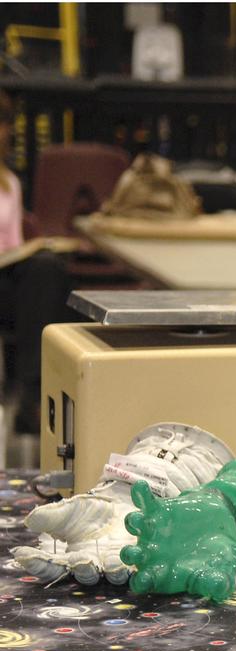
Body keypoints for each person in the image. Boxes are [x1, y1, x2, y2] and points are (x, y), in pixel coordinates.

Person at [0, 89, 78, 436]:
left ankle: (34, 392)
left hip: (8, 277)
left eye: (4, 123)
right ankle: (31, 394)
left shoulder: (10, 182)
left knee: (48, 269)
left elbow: (13, 244)